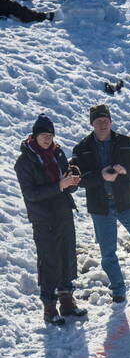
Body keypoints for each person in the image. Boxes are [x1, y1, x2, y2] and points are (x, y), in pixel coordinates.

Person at [72, 104, 130, 303]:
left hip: (127, 203)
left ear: (111, 121)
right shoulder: (82, 149)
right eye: (98, 121)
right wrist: (100, 176)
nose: (103, 124)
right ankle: (118, 290)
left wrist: (125, 171)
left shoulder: (126, 142)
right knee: (108, 253)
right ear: (92, 124)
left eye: (106, 120)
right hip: (100, 207)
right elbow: (78, 179)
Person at [14, 115, 84, 327]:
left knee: (67, 256)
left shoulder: (58, 152)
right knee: (49, 261)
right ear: (35, 136)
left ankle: (67, 302)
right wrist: (59, 186)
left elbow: (64, 182)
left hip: (63, 212)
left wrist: (72, 181)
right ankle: (49, 307)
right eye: (44, 135)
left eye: (50, 135)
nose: (47, 139)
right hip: (43, 217)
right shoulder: (24, 161)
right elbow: (31, 194)